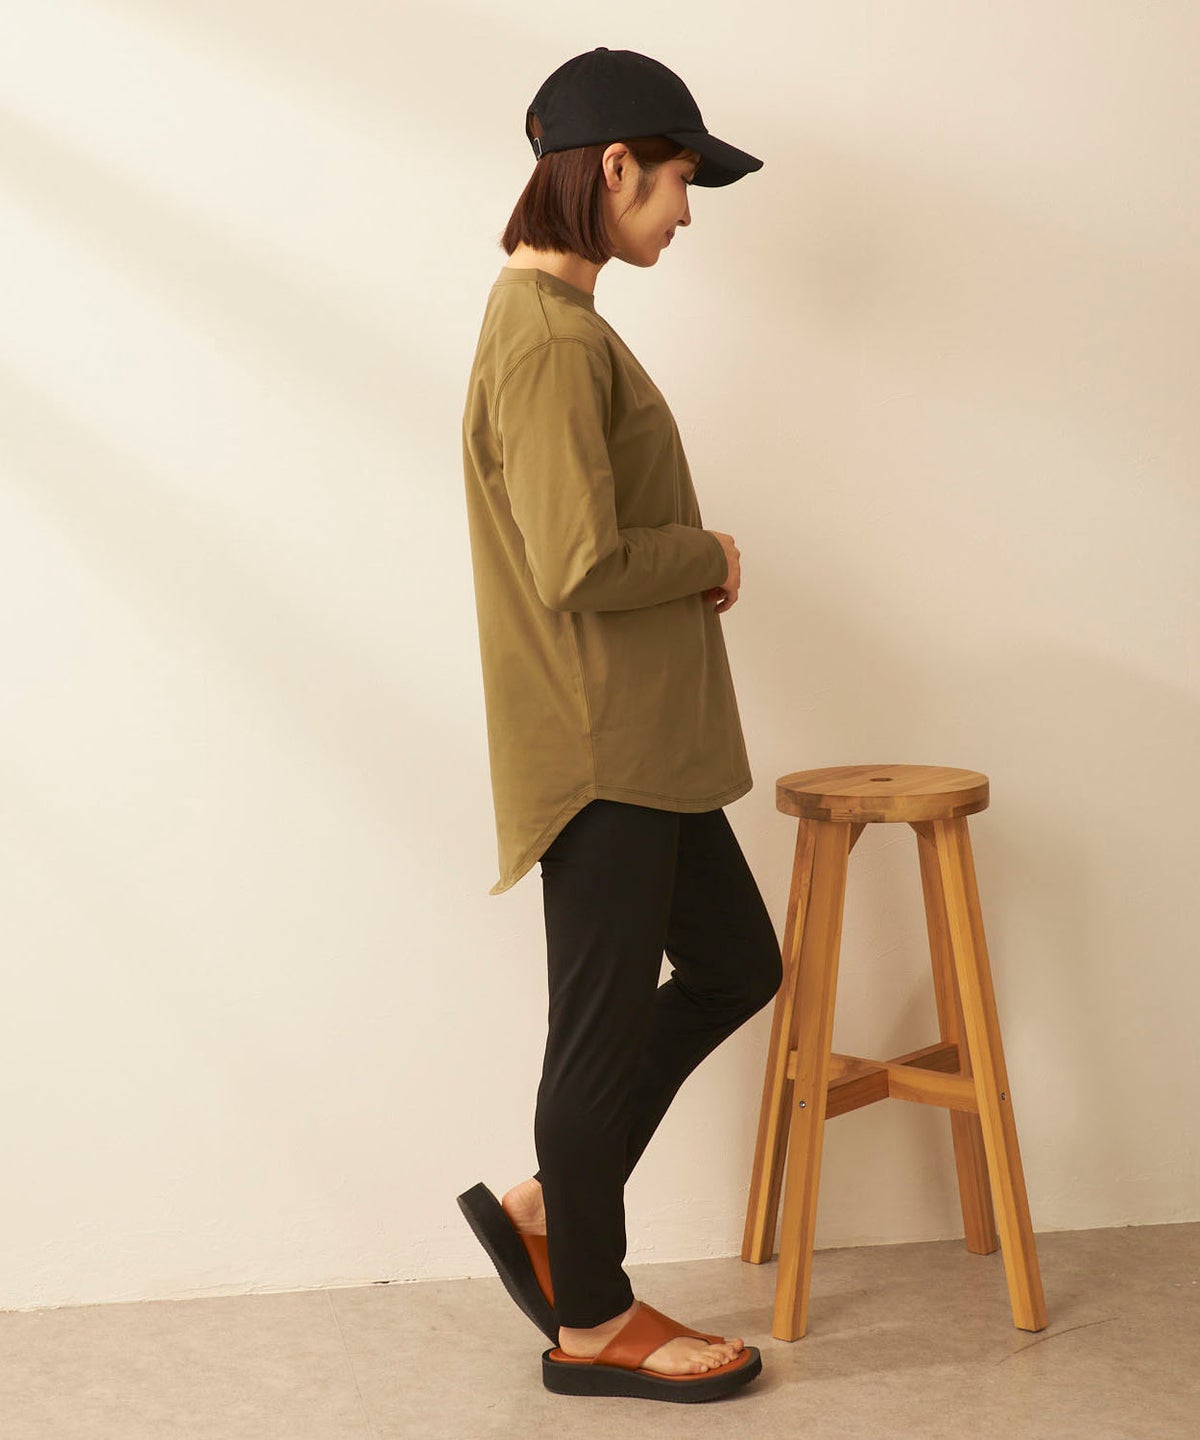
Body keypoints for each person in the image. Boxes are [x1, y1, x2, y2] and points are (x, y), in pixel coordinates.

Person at [456, 47, 782, 1403]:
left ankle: (551, 1201)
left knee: (737, 965)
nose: (687, 211)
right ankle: (589, 1319)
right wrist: (706, 551)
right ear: (610, 169)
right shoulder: (546, 338)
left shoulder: (564, 326)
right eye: (677, 180)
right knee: (593, 1037)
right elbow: (578, 561)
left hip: (642, 743)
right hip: (603, 750)